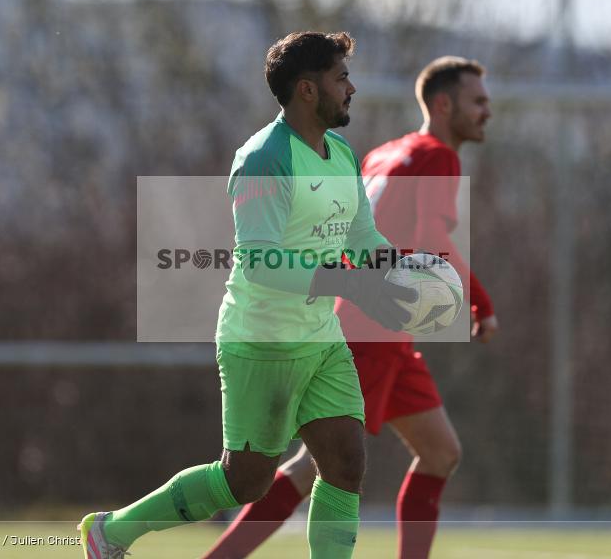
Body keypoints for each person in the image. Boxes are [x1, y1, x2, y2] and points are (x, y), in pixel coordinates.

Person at [78, 31, 416, 559]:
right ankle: (113, 531)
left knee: (345, 464)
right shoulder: (263, 159)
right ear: (307, 90)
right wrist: (346, 282)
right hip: (261, 340)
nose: (352, 87)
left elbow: (361, 238)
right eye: (341, 77)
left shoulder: (342, 154)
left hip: (320, 338)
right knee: (245, 483)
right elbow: (259, 265)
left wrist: (405, 269)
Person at [202, 56, 498, 559]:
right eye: (479, 101)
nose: (487, 111)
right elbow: (429, 238)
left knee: (441, 452)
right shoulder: (437, 156)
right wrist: (479, 302)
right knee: (312, 465)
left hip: (382, 332)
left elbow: (348, 235)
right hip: (372, 331)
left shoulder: (383, 154)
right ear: (444, 105)